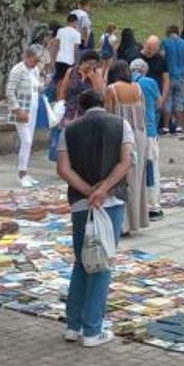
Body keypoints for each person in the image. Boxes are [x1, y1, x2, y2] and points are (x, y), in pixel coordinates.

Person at [57, 90, 131, 347]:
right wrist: (103, 189)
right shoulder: (121, 124)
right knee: (101, 262)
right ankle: (92, 329)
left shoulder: (70, 129)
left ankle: (73, 324)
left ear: (80, 107)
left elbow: (63, 169)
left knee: (81, 261)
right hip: (110, 201)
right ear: (105, 103)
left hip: (80, 201)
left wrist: (88, 191)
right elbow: (125, 163)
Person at [104, 60, 152, 234]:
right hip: (140, 136)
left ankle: (122, 223)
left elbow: (108, 115)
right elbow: (143, 112)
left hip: (121, 135)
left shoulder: (112, 90)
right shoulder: (138, 88)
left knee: (121, 177)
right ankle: (136, 220)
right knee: (137, 177)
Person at [130, 59, 164, 221]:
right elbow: (159, 103)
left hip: (131, 131)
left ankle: (138, 204)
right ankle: (153, 206)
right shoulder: (150, 82)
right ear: (145, 70)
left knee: (135, 168)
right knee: (151, 169)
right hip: (149, 129)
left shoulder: (125, 84)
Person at [7, 45, 44, 188]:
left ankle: (25, 171)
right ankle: (21, 173)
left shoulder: (34, 70)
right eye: (34, 60)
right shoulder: (17, 70)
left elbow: (36, 86)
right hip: (22, 110)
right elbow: (10, 92)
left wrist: (41, 86)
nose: (36, 63)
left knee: (29, 142)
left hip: (32, 109)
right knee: (26, 141)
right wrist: (17, 110)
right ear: (27, 57)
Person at [161, 25, 184, 135]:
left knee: (168, 102)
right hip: (181, 77)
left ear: (169, 32)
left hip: (168, 77)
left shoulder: (165, 42)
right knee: (180, 101)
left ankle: (166, 127)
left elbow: (161, 57)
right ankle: (179, 127)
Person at [58, 50, 106, 126]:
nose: (92, 66)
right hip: (69, 110)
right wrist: (60, 106)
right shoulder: (71, 71)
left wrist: (92, 78)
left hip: (86, 113)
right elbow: (63, 90)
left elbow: (100, 93)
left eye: (95, 64)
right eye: (90, 63)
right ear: (83, 62)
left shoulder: (97, 74)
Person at [137, 35, 169, 132]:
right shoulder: (136, 57)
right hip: (139, 96)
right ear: (144, 44)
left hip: (155, 97)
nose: (150, 51)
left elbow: (166, 80)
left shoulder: (161, 59)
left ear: (158, 49)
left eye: (153, 49)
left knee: (152, 127)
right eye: (148, 48)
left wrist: (163, 98)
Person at [54, 14, 83, 81]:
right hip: (69, 61)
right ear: (74, 22)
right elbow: (76, 49)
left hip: (59, 59)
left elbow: (56, 46)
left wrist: (54, 59)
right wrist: (77, 62)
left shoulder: (60, 31)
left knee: (58, 80)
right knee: (66, 81)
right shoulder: (77, 34)